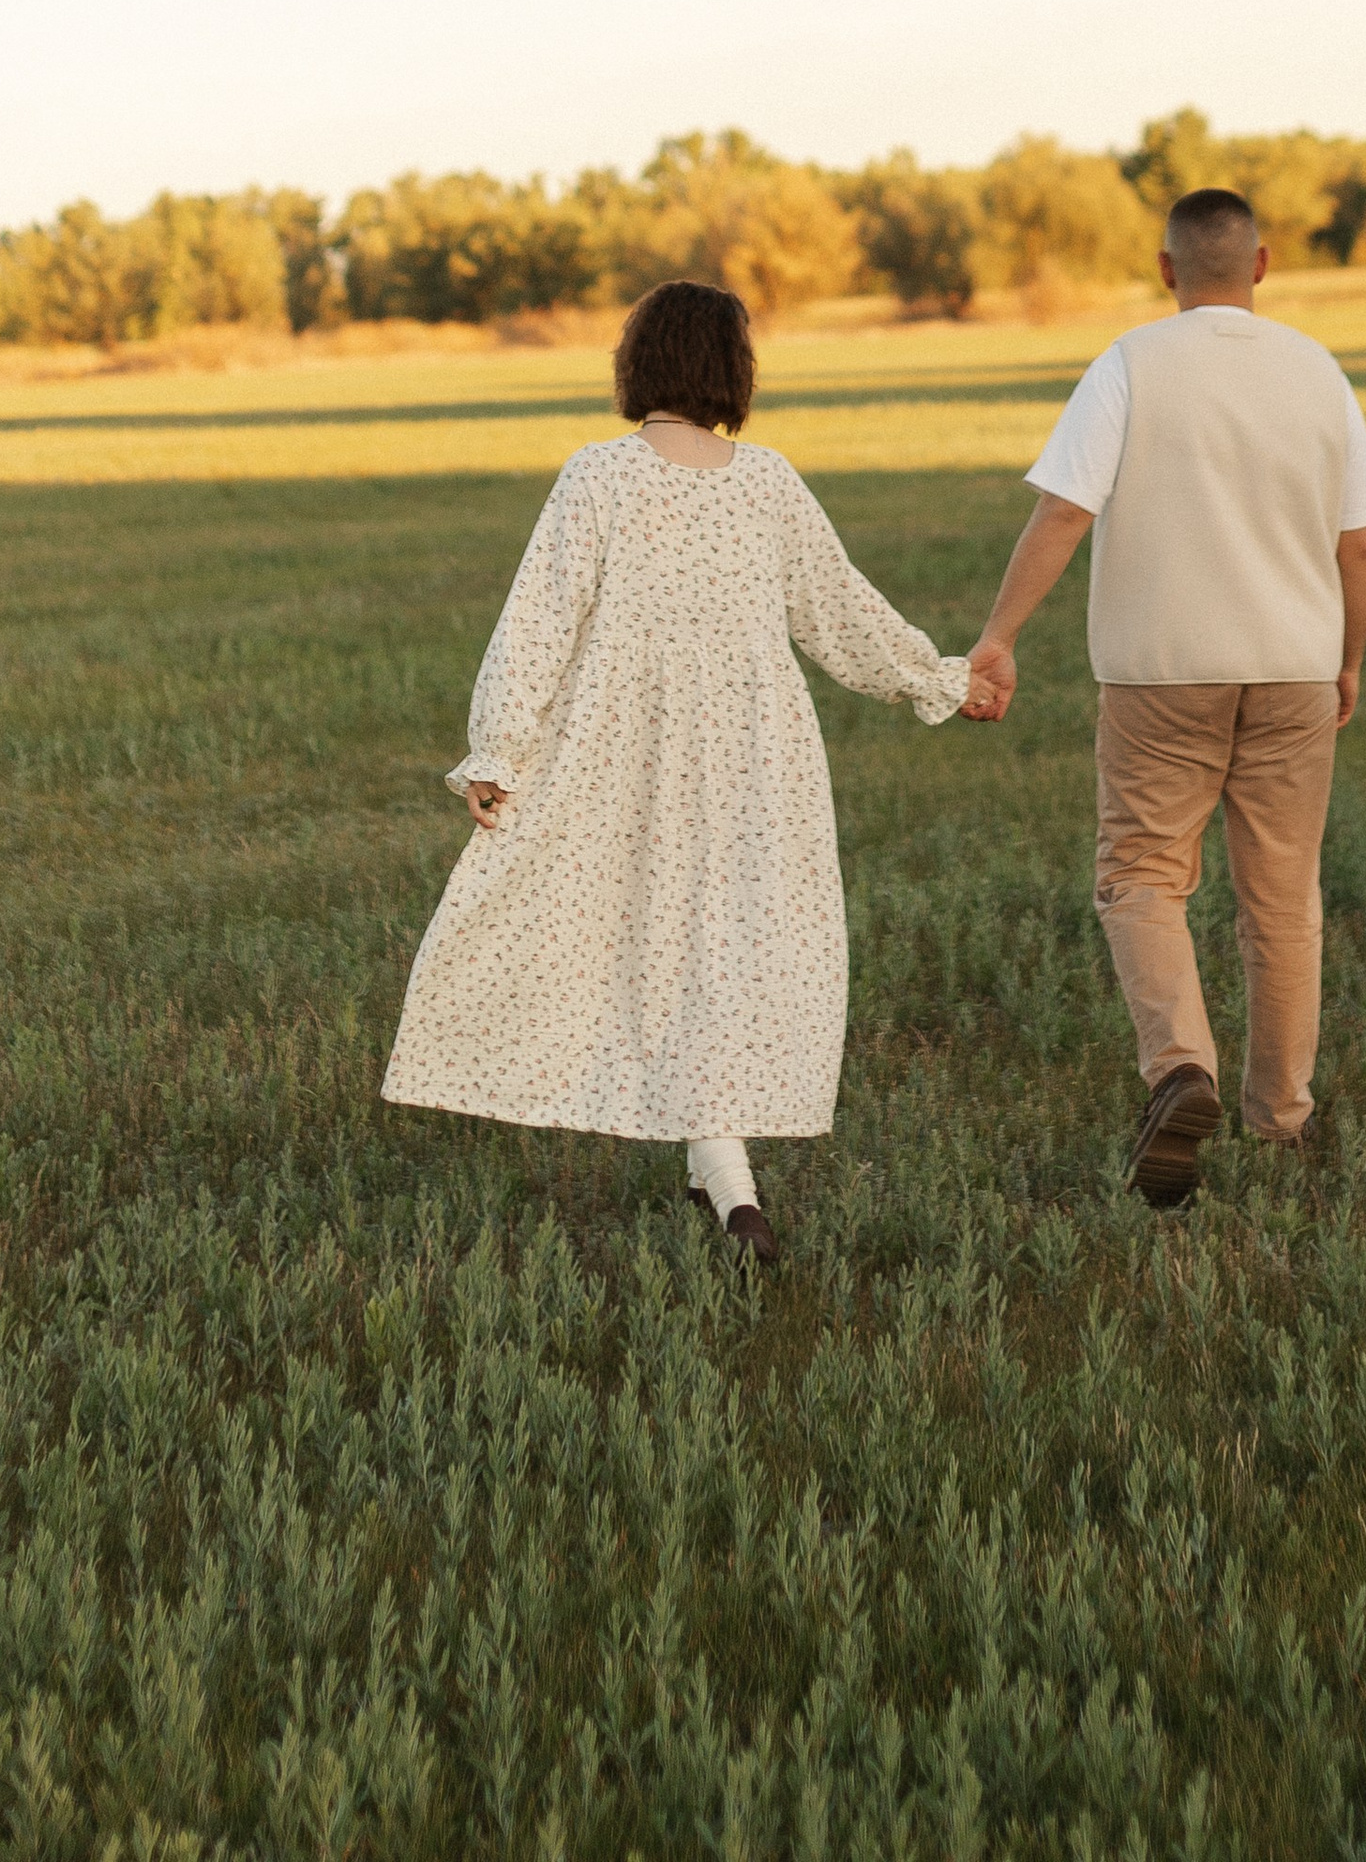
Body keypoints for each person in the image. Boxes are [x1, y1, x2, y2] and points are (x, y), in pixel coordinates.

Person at [382, 277, 999, 1260]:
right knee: (718, 949)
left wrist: (498, 749)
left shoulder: (597, 476)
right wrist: (941, 680)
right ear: (731, 370)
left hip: (622, 751)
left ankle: (718, 1173)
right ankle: (728, 1181)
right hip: (755, 760)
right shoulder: (767, 483)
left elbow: (536, 624)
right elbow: (841, 616)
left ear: (641, 364)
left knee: (621, 941)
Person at [965, 187, 1366, 1209]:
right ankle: (1280, 1118)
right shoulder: (1317, 371)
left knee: (1144, 877)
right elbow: (1360, 544)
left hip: (1160, 671)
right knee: (1281, 898)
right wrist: (1349, 660)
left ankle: (1179, 1071)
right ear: (1262, 263)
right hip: (1294, 663)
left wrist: (998, 637)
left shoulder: (1128, 365)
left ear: (1166, 271)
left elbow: (1065, 511)